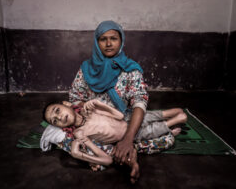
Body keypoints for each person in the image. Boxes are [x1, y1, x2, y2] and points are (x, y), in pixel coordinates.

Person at [69, 20, 171, 163]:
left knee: (165, 139)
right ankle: (125, 152)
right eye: (103, 39)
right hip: (94, 124)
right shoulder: (87, 68)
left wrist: (128, 138)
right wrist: (87, 110)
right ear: (96, 42)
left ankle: (122, 147)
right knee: (67, 133)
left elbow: (139, 101)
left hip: (123, 120)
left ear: (121, 40)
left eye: (114, 38)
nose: (109, 44)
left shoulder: (130, 69)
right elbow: (75, 97)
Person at [42, 99, 186, 183]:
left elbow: (118, 115)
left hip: (128, 120)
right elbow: (104, 158)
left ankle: (170, 120)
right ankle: (170, 125)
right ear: (58, 126)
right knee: (152, 130)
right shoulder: (79, 133)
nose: (59, 117)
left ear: (67, 104)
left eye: (57, 111)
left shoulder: (89, 110)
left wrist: (99, 104)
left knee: (150, 116)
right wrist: (78, 151)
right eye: (55, 121)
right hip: (130, 137)